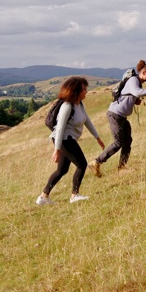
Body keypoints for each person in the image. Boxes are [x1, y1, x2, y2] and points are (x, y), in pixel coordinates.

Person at [36, 76, 106, 205]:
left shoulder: (79, 104)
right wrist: (56, 150)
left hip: (68, 139)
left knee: (62, 170)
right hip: (64, 140)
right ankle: (75, 195)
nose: (86, 92)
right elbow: (60, 128)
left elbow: (87, 120)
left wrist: (97, 138)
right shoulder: (67, 106)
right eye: (84, 89)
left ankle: (43, 197)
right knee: (82, 164)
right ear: (76, 91)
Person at [90, 60, 146, 172]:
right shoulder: (133, 80)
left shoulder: (137, 81)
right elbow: (138, 92)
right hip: (116, 115)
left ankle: (122, 167)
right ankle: (96, 162)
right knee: (118, 142)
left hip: (121, 117)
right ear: (143, 72)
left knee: (127, 141)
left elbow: (130, 94)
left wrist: (135, 101)